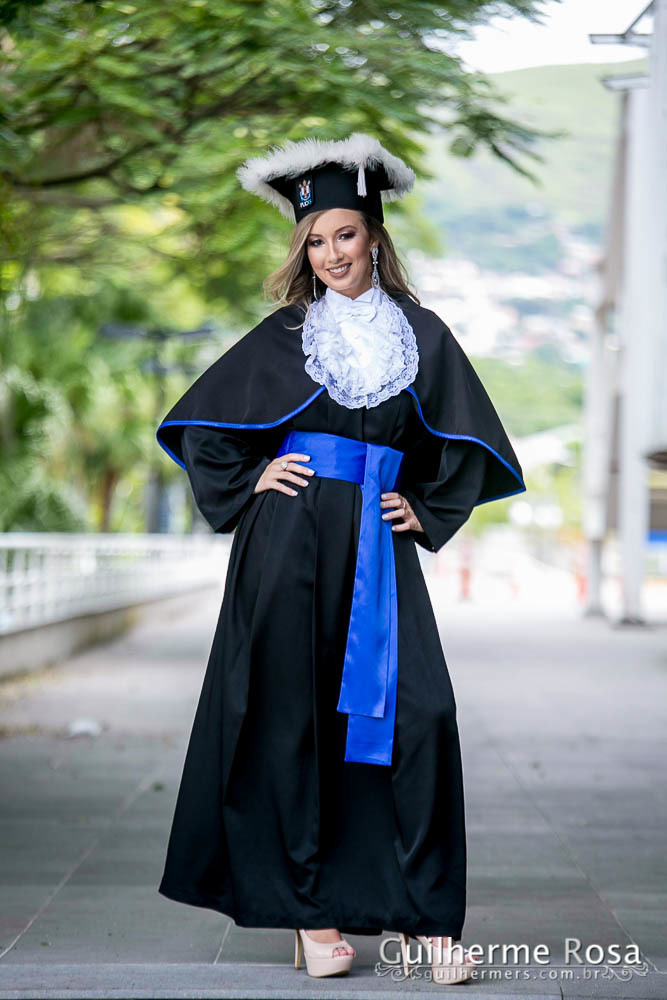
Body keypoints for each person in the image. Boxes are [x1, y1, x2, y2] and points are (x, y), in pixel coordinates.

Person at [156, 133, 526, 983]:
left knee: (418, 717)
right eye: (314, 241)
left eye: (344, 236)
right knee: (291, 722)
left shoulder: (422, 337)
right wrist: (255, 477)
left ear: (374, 236)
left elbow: (463, 450)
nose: (330, 255)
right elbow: (201, 430)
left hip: (377, 550)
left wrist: (424, 509)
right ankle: (311, 918)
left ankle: (431, 919)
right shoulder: (286, 334)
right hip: (286, 547)